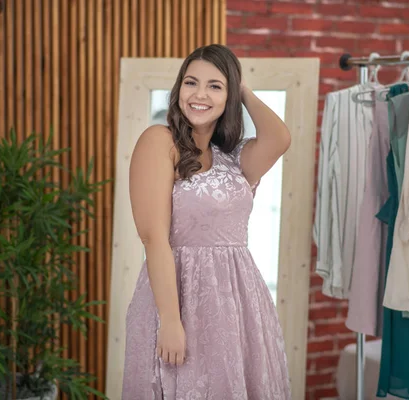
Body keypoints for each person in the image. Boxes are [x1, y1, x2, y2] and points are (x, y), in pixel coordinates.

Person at [121, 44, 292, 399]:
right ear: (178, 90)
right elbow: (153, 237)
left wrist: (240, 87)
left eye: (215, 86)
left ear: (230, 96)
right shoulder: (159, 141)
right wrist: (170, 319)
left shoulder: (233, 156)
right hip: (178, 297)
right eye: (190, 83)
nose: (199, 94)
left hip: (239, 303)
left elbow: (280, 138)